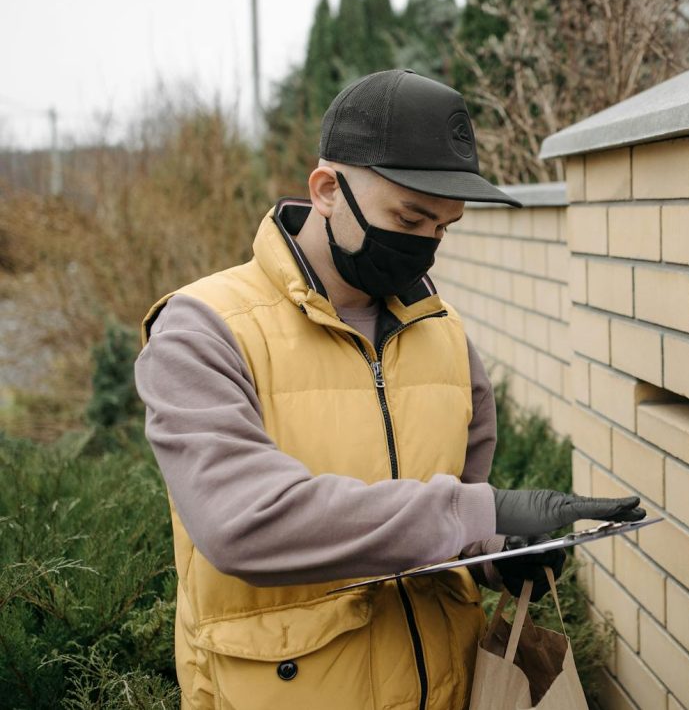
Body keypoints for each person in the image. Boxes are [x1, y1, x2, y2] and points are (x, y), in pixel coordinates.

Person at [133, 69, 644, 710]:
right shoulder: (203, 329)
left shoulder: (445, 334)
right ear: (326, 189)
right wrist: (482, 512)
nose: (425, 245)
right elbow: (243, 522)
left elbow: (449, 509)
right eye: (410, 216)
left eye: (443, 228)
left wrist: (496, 556)